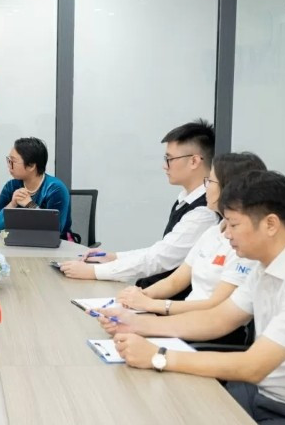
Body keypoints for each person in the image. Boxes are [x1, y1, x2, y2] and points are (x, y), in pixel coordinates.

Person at [94, 171, 285, 425]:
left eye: (233, 224)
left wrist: (158, 357)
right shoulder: (266, 266)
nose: (226, 234)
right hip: (262, 395)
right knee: (169, 419)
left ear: (270, 224)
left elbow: (253, 366)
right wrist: (137, 324)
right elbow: (218, 319)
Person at [116, 152, 266, 344]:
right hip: (186, 323)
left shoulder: (245, 246)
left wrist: (152, 305)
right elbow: (175, 281)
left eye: (210, 181)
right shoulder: (212, 232)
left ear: (230, 189)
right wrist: (138, 297)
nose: (206, 188)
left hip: (212, 338)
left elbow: (216, 306)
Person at [60, 119, 218, 297]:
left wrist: (93, 272)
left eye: (169, 159)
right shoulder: (186, 199)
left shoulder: (204, 212)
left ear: (194, 161)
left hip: (166, 302)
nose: (164, 166)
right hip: (151, 292)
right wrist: (114, 257)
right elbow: (160, 250)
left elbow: (161, 259)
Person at [0, 137, 72, 238]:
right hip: (20, 242)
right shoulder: (11, 186)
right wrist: (12, 204)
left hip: (57, 245)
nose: (9, 165)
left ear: (31, 166)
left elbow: (54, 230)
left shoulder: (55, 189)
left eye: (13, 161)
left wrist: (30, 205)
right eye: (8, 160)